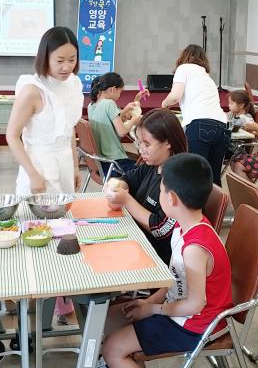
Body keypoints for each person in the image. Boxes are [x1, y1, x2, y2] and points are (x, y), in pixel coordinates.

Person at [102, 153, 232, 368]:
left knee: (112, 350)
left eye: (160, 190)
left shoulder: (195, 248)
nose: (158, 195)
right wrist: (149, 304)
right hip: (178, 310)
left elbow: (195, 304)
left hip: (195, 325)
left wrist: (154, 309)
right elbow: (175, 279)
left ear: (171, 198)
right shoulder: (183, 226)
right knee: (110, 321)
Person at [6, 26, 84, 195]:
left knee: (65, 210)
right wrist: (32, 175)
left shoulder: (73, 85)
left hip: (65, 162)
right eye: (60, 61)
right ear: (45, 57)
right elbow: (12, 136)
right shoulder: (32, 90)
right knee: (36, 212)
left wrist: (75, 166)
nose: (67, 67)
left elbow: (69, 129)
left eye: (72, 60)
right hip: (38, 165)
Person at [106, 108, 188, 262]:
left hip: (159, 259)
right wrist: (117, 187)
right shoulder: (153, 166)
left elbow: (160, 229)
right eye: (139, 143)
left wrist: (126, 200)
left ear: (168, 143)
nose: (141, 150)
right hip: (138, 243)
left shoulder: (181, 179)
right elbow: (127, 179)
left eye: (147, 144)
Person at [162, 45, 228, 184]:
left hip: (200, 125)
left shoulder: (184, 68)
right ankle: (216, 199)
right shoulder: (207, 77)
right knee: (213, 177)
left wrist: (164, 103)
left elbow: (175, 96)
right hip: (222, 126)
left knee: (193, 175)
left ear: (184, 56)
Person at [87, 72, 145, 177]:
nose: (120, 95)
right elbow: (122, 132)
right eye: (120, 92)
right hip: (114, 162)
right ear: (113, 89)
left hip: (101, 162)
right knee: (146, 171)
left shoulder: (91, 106)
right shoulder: (109, 103)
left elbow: (111, 119)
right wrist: (134, 120)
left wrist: (135, 102)